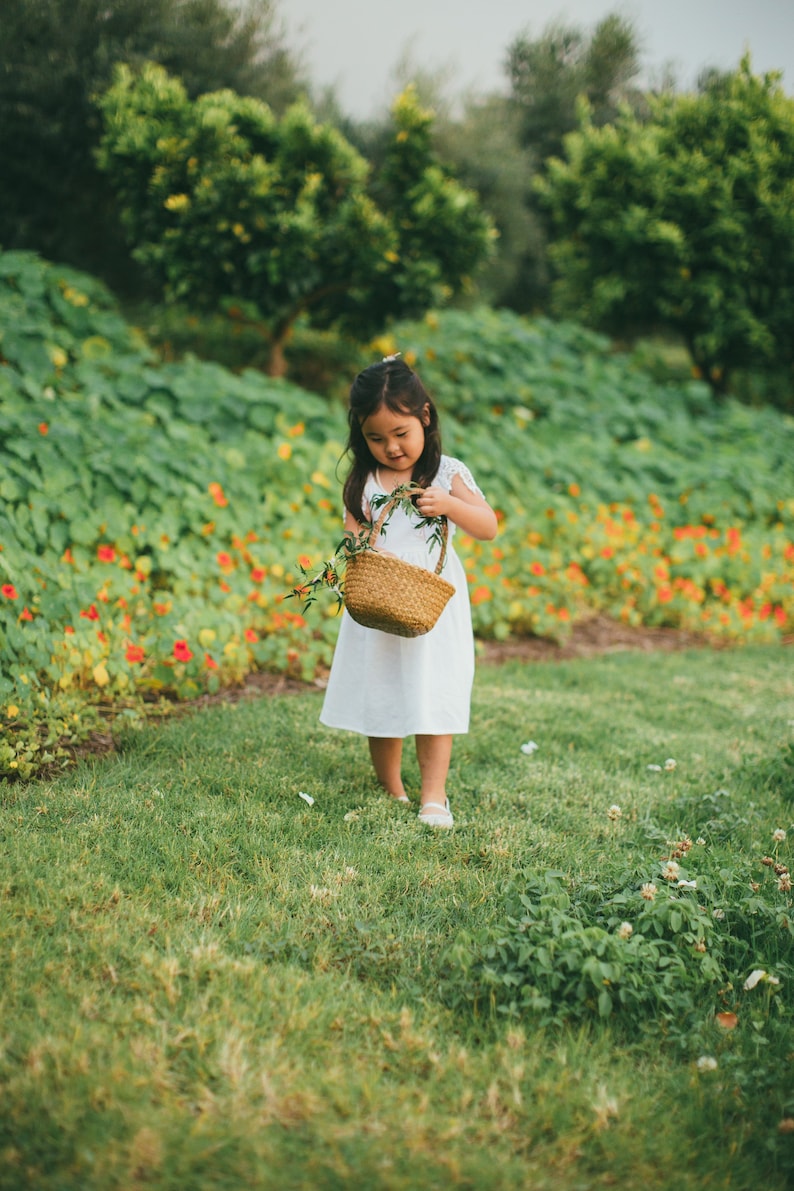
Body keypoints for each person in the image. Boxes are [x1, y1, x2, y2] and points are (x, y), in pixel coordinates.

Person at [319, 354, 498, 828]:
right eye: (375, 438)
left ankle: (434, 796)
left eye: (400, 434)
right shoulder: (365, 480)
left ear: (424, 417)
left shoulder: (446, 473)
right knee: (381, 693)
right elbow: (354, 530)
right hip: (379, 602)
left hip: (432, 606)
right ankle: (392, 787)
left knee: (434, 692)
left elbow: (489, 526)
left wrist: (450, 506)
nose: (391, 448)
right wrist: (357, 543)